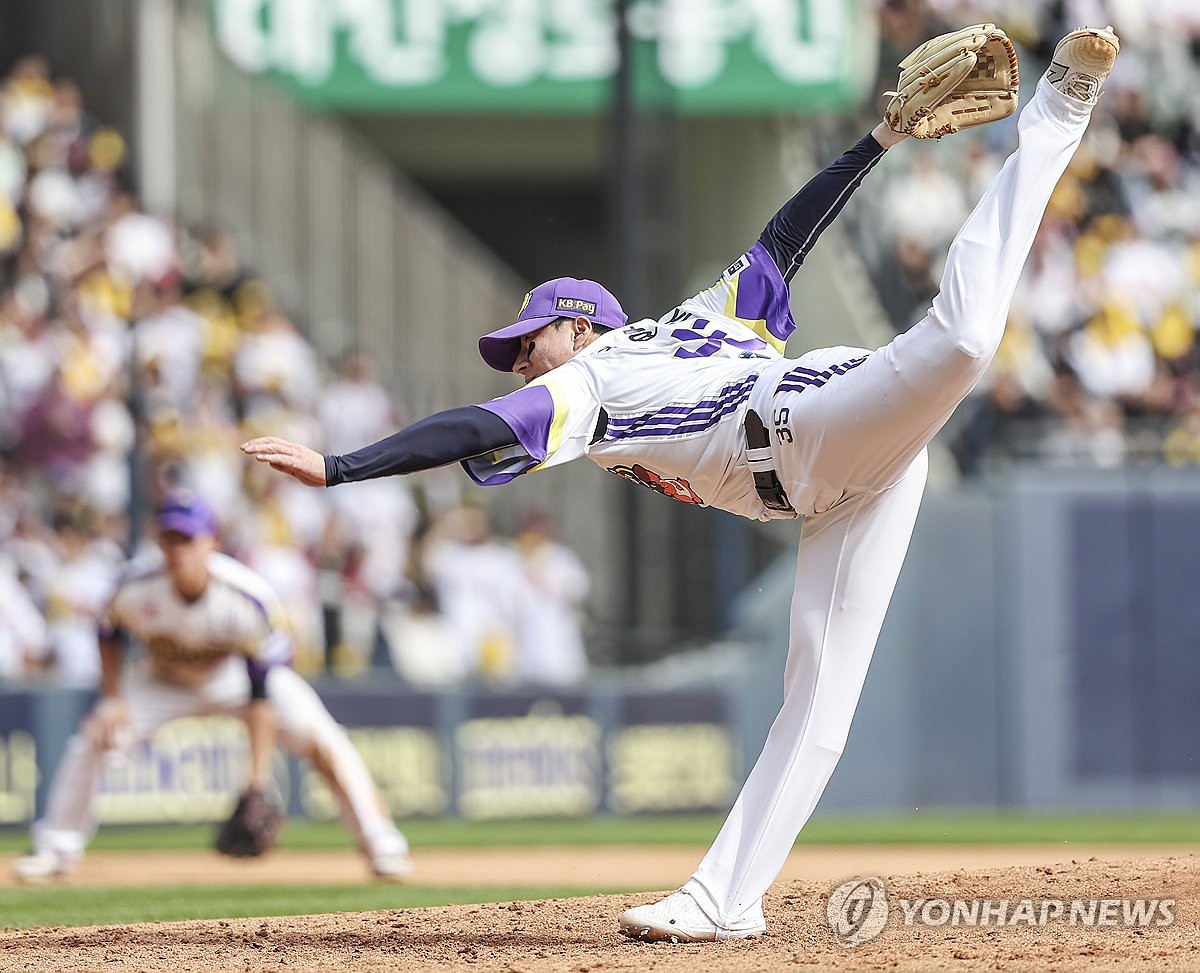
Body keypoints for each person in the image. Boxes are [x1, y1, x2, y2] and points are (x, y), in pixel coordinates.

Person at [243, 26, 1120, 941]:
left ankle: (1056, 113)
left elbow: (472, 427)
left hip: (810, 418)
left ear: (577, 326)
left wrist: (343, 465)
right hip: (840, 482)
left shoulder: (589, 379)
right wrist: (875, 144)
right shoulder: (691, 321)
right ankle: (722, 900)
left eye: (526, 341)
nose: (519, 364)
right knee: (818, 703)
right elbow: (785, 240)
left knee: (965, 343)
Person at [12, 489, 412, 883]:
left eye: (187, 538)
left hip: (232, 677)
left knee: (324, 737)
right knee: (96, 737)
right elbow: (107, 632)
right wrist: (112, 699)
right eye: (169, 537)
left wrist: (256, 781)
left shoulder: (247, 597)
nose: (177, 548)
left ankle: (382, 842)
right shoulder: (134, 586)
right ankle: (56, 849)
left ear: (213, 543)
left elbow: (261, 695)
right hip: (160, 679)